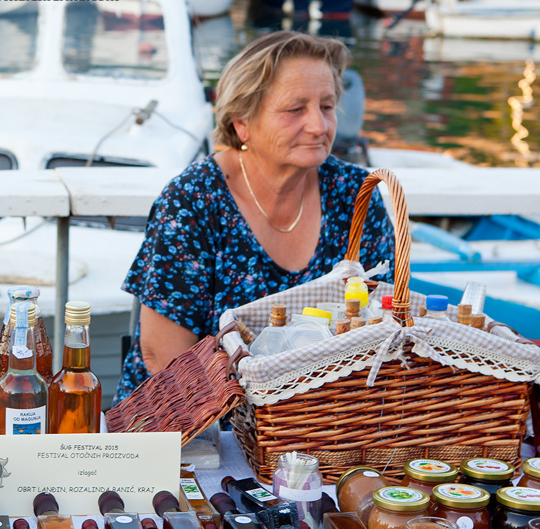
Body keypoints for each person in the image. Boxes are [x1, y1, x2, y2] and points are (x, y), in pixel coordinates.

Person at [115, 30, 395, 403]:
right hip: (191, 420)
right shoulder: (194, 199)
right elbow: (163, 356)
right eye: (295, 109)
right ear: (241, 122)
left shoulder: (355, 196)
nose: (319, 126)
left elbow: (385, 326)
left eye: (326, 107)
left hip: (322, 422)